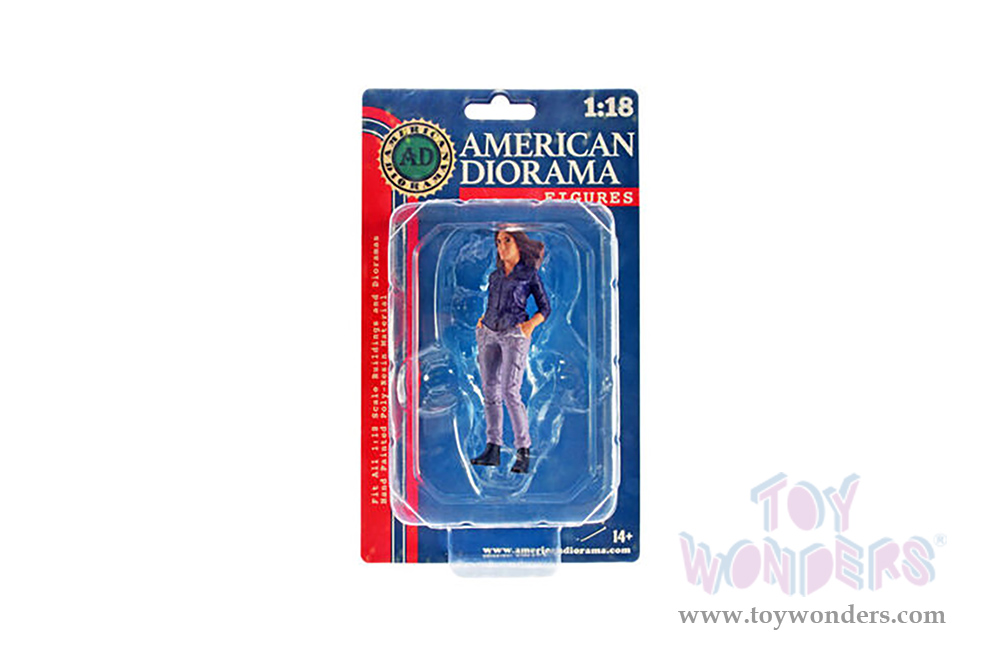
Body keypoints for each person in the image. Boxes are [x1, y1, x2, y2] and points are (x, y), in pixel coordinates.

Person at [470, 230, 551, 474]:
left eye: (507, 240)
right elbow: (492, 302)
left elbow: (545, 308)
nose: (501, 246)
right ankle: (492, 447)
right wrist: (482, 320)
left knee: (510, 391)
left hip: (514, 334)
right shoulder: (495, 276)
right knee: (489, 392)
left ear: (519, 244)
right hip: (488, 332)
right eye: (498, 242)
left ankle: (523, 450)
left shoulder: (529, 275)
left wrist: (529, 325)